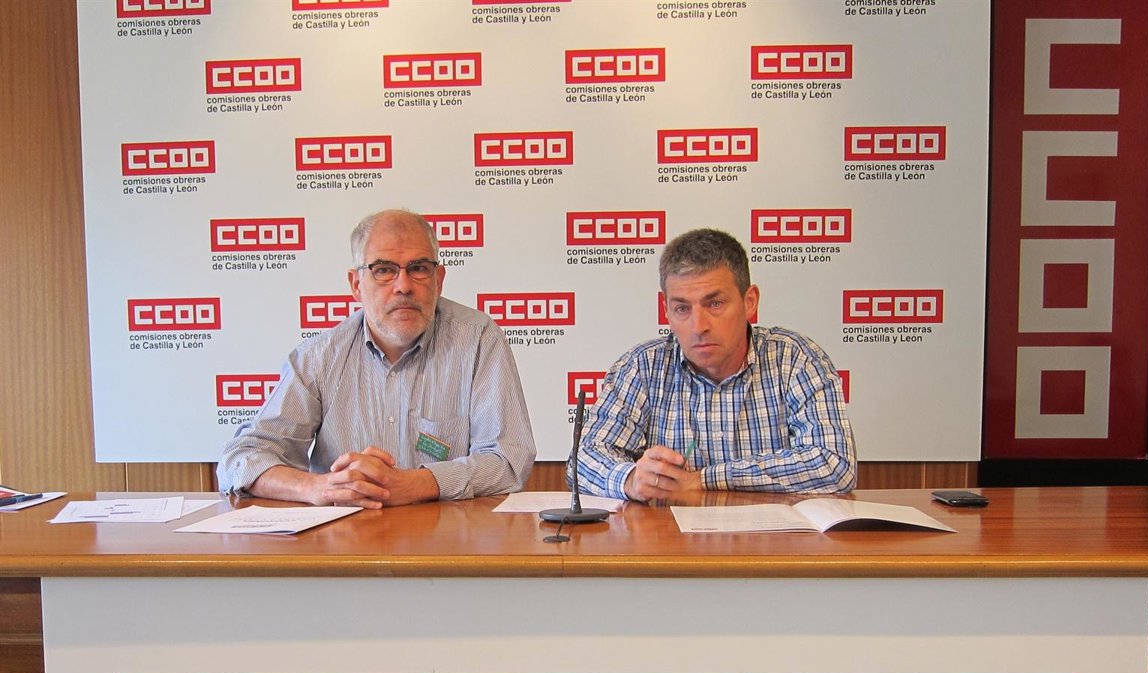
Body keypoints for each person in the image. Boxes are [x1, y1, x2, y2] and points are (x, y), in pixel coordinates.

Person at [217, 209, 535, 507]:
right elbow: (241, 459)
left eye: (418, 269)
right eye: (383, 270)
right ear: (356, 285)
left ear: (438, 280)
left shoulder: (478, 339)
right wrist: (317, 487)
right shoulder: (319, 357)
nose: (403, 286)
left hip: (447, 538)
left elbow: (509, 461)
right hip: (345, 538)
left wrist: (417, 484)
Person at [575, 228, 856, 502]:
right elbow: (584, 460)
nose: (699, 326)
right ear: (666, 310)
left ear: (750, 302)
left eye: (715, 304)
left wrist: (703, 480)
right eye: (682, 308)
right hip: (670, 533)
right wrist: (631, 479)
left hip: (773, 533)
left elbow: (834, 464)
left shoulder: (795, 359)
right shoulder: (642, 366)